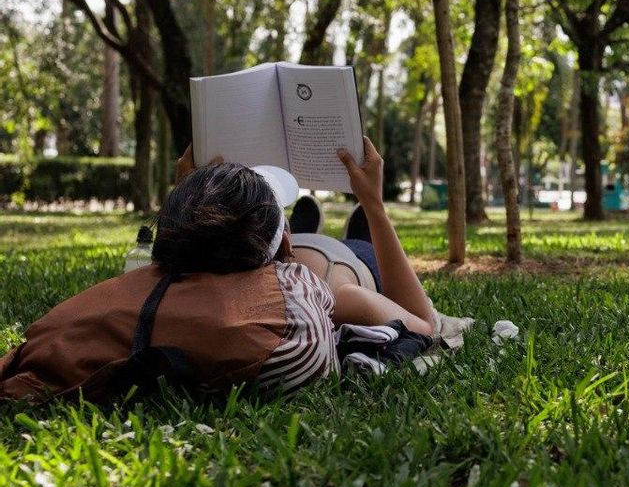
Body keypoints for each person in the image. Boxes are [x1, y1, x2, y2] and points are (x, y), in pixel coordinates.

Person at [0, 137, 436, 402]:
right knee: (354, 245)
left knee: (312, 237)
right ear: (280, 243)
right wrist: (376, 207)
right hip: (343, 264)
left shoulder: (169, 284)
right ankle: (332, 230)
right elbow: (426, 326)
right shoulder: (330, 299)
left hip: (256, 247)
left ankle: (304, 224)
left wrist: (189, 195)